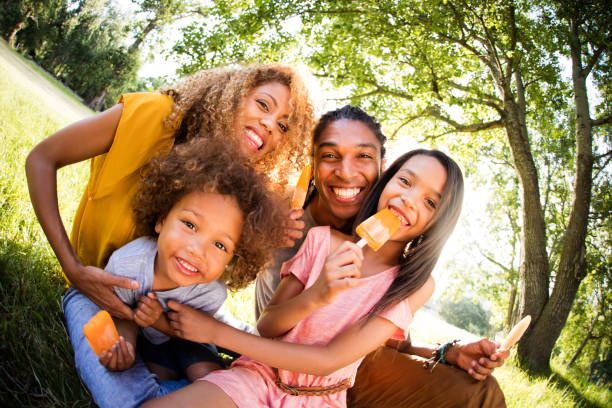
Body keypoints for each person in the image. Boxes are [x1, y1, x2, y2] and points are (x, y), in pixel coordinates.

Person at [25, 63, 315, 407]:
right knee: (125, 387)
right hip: (104, 287)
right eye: (263, 105)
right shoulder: (155, 115)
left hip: (168, 311)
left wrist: (272, 228)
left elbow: (205, 290)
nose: (270, 124)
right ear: (233, 95)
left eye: (283, 125)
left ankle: (219, 387)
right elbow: (42, 158)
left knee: (218, 349)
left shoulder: (237, 180)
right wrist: (72, 268)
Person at [142, 148, 466, 407]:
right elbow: (268, 325)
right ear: (386, 182)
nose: (408, 199)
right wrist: (317, 295)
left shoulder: (414, 287)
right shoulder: (321, 241)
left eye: (429, 202)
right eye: (405, 182)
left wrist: (216, 333)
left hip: (320, 399)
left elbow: (329, 361)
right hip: (260, 377)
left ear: (438, 224)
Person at [255, 105, 508, 407]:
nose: (346, 172)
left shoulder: (388, 232)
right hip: (299, 369)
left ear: (382, 168)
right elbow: (277, 328)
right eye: (331, 156)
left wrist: (447, 352)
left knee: (483, 388)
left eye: (362, 156)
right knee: (479, 395)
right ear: (313, 161)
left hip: (352, 360)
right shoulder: (291, 223)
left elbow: (389, 339)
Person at [97, 140, 284, 385]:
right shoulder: (127, 266)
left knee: (205, 374)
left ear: (233, 259)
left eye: (220, 245)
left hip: (190, 339)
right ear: (162, 219)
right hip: (150, 342)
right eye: (190, 225)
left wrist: (158, 321)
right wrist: (125, 345)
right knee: (156, 376)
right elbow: (120, 313)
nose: (197, 251)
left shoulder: (210, 292)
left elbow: (192, 335)